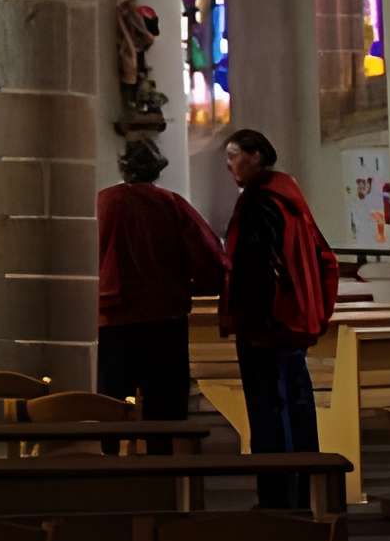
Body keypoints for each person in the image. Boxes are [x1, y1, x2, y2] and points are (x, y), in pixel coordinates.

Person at [219, 128, 340, 510]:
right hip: (290, 323)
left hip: (267, 326)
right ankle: (306, 493)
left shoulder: (259, 201)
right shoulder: (290, 197)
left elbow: (254, 268)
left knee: (269, 410)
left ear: (256, 156)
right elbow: (324, 259)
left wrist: (251, 321)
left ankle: (278, 499)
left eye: (234, 154)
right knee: (297, 408)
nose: (229, 164)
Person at [97, 135, 224, 425]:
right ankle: (165, 465)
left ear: (123, 168)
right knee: (165, 407)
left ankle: (110, 463)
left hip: (112, 320)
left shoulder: (102, 203)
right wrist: (198, 286)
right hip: (163, 318)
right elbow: (209, 255)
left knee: (110, 405)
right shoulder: (171, 203)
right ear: (157, 168)